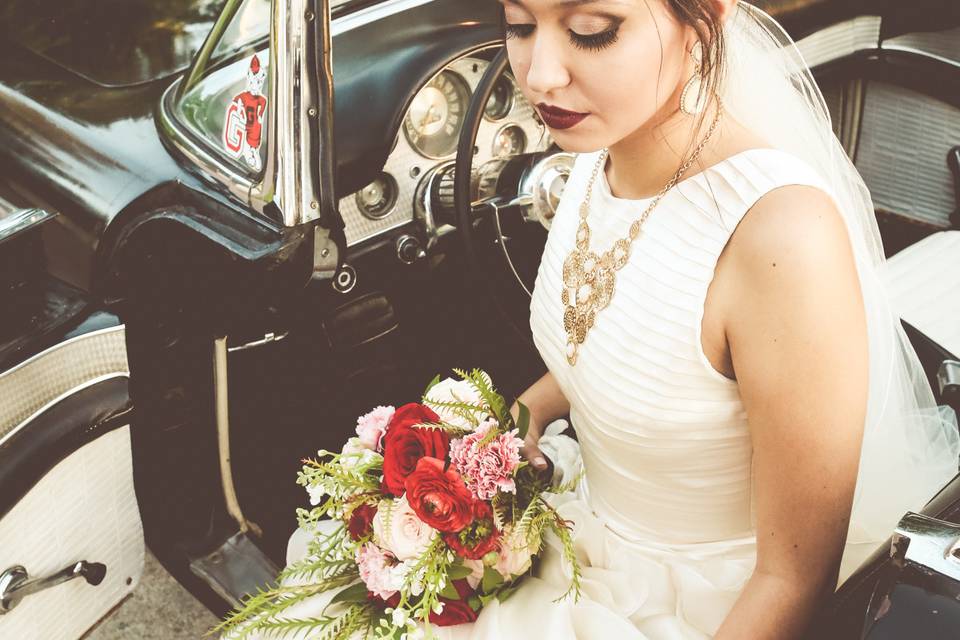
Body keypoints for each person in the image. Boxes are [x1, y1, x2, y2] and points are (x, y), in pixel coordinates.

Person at [238, 1, 960, 638]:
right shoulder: (594, 152)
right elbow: (622, 347)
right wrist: (497, 436)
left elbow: (793, 580)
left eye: (591, 31)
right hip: (584, 530)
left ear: (706, 17)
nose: (541, 75)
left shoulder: (781, 241)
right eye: (519, 24)